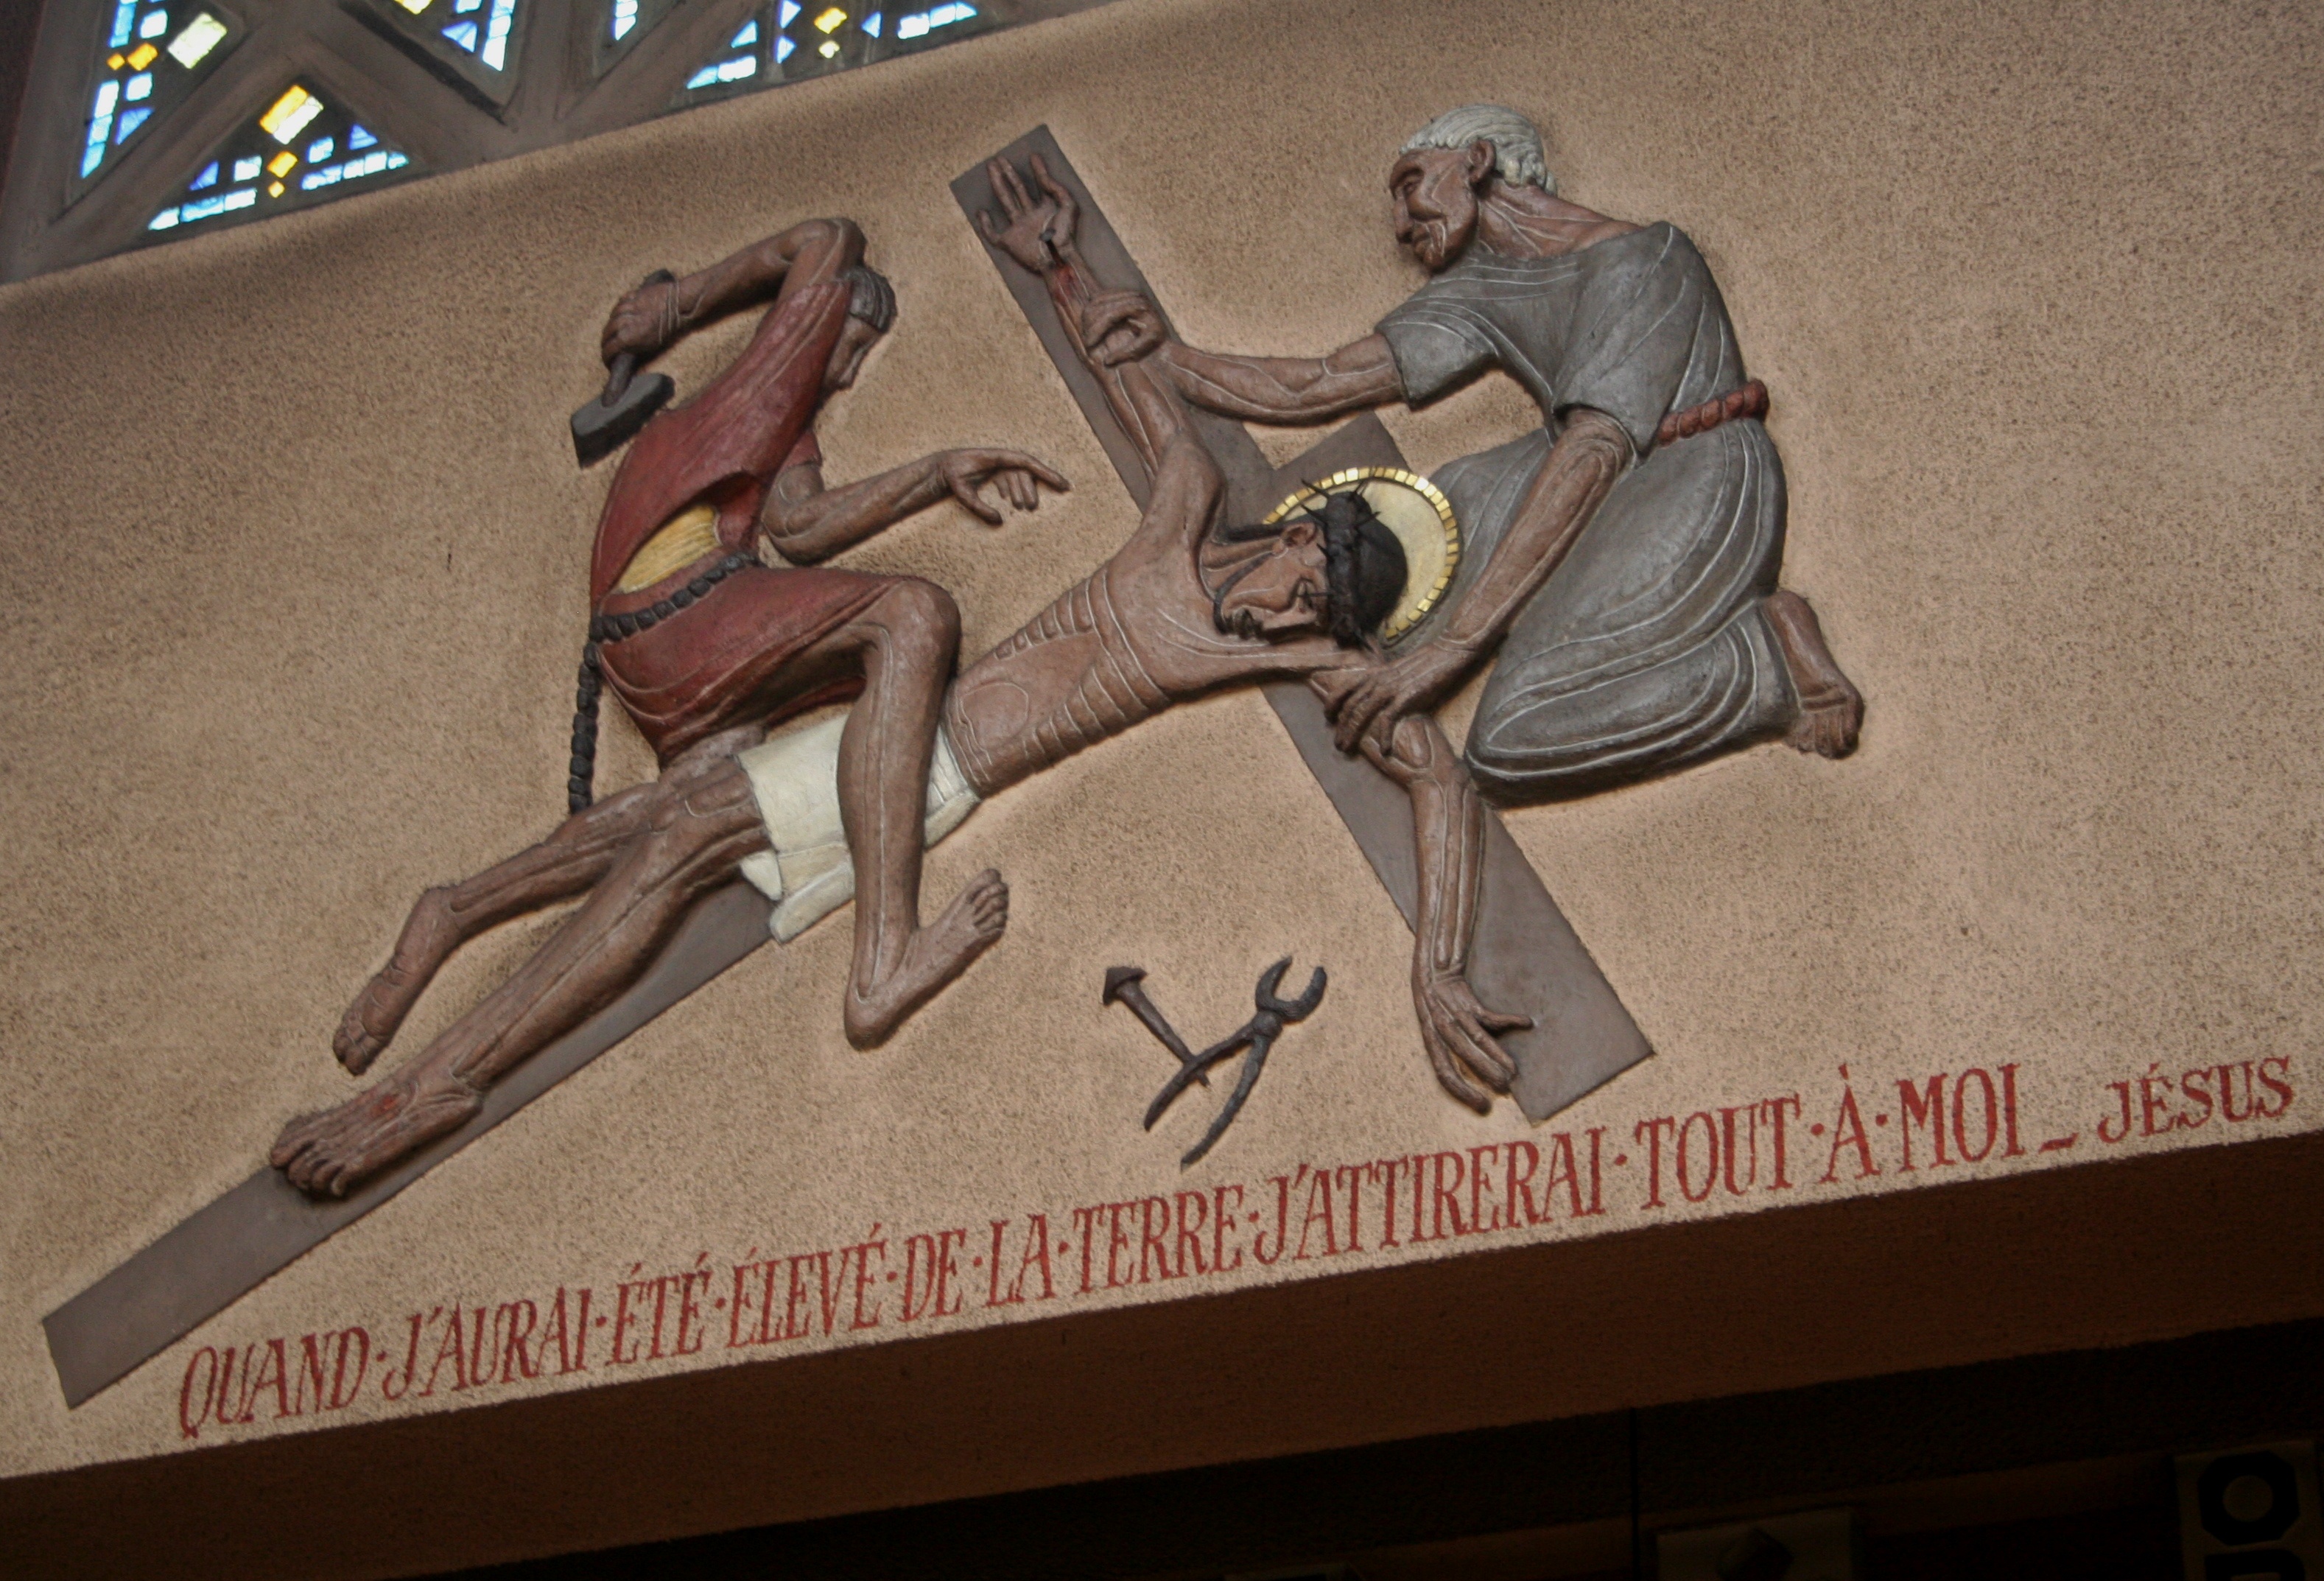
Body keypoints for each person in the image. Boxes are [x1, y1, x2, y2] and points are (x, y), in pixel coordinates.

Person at [271, 179, 1522, 1199]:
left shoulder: (1295, 655)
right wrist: (1060, 261)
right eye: (1309, 584)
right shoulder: (1185, 517)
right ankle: (444, 978)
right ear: (1300, 536)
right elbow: (1134, 382)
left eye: (1324, 620)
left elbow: (1439, 782)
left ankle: (433, 1086)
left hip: (928, 776)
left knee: (668, 851)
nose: (1299, 615)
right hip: (883, 731)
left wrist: (1441, 963)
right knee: (650, 829)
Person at [278, 219, 1064, 1195]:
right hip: (681, 612)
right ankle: (884, 952)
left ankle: (450, 949)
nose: (850, 372)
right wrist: (677, 303)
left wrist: (933, 469)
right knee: (913, 615)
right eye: (852, 348)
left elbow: (803, 525)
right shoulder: (776, 360)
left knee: (684, 818)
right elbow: (825, 237)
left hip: (665, 651)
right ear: (826, 322)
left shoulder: (775, 424)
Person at [1076, 103, 1864, 802]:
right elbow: (1319, 382)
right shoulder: (1480, 290)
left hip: (1690, 474)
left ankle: (1766, 662)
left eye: (1409, 183)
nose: (1399, 221)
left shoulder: (1644, 260)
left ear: (1476, 162)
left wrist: (1452, 653)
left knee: (1512, 736)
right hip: (1576, 476)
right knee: (1404, 589)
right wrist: (1167, 360)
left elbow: (1593, 455)